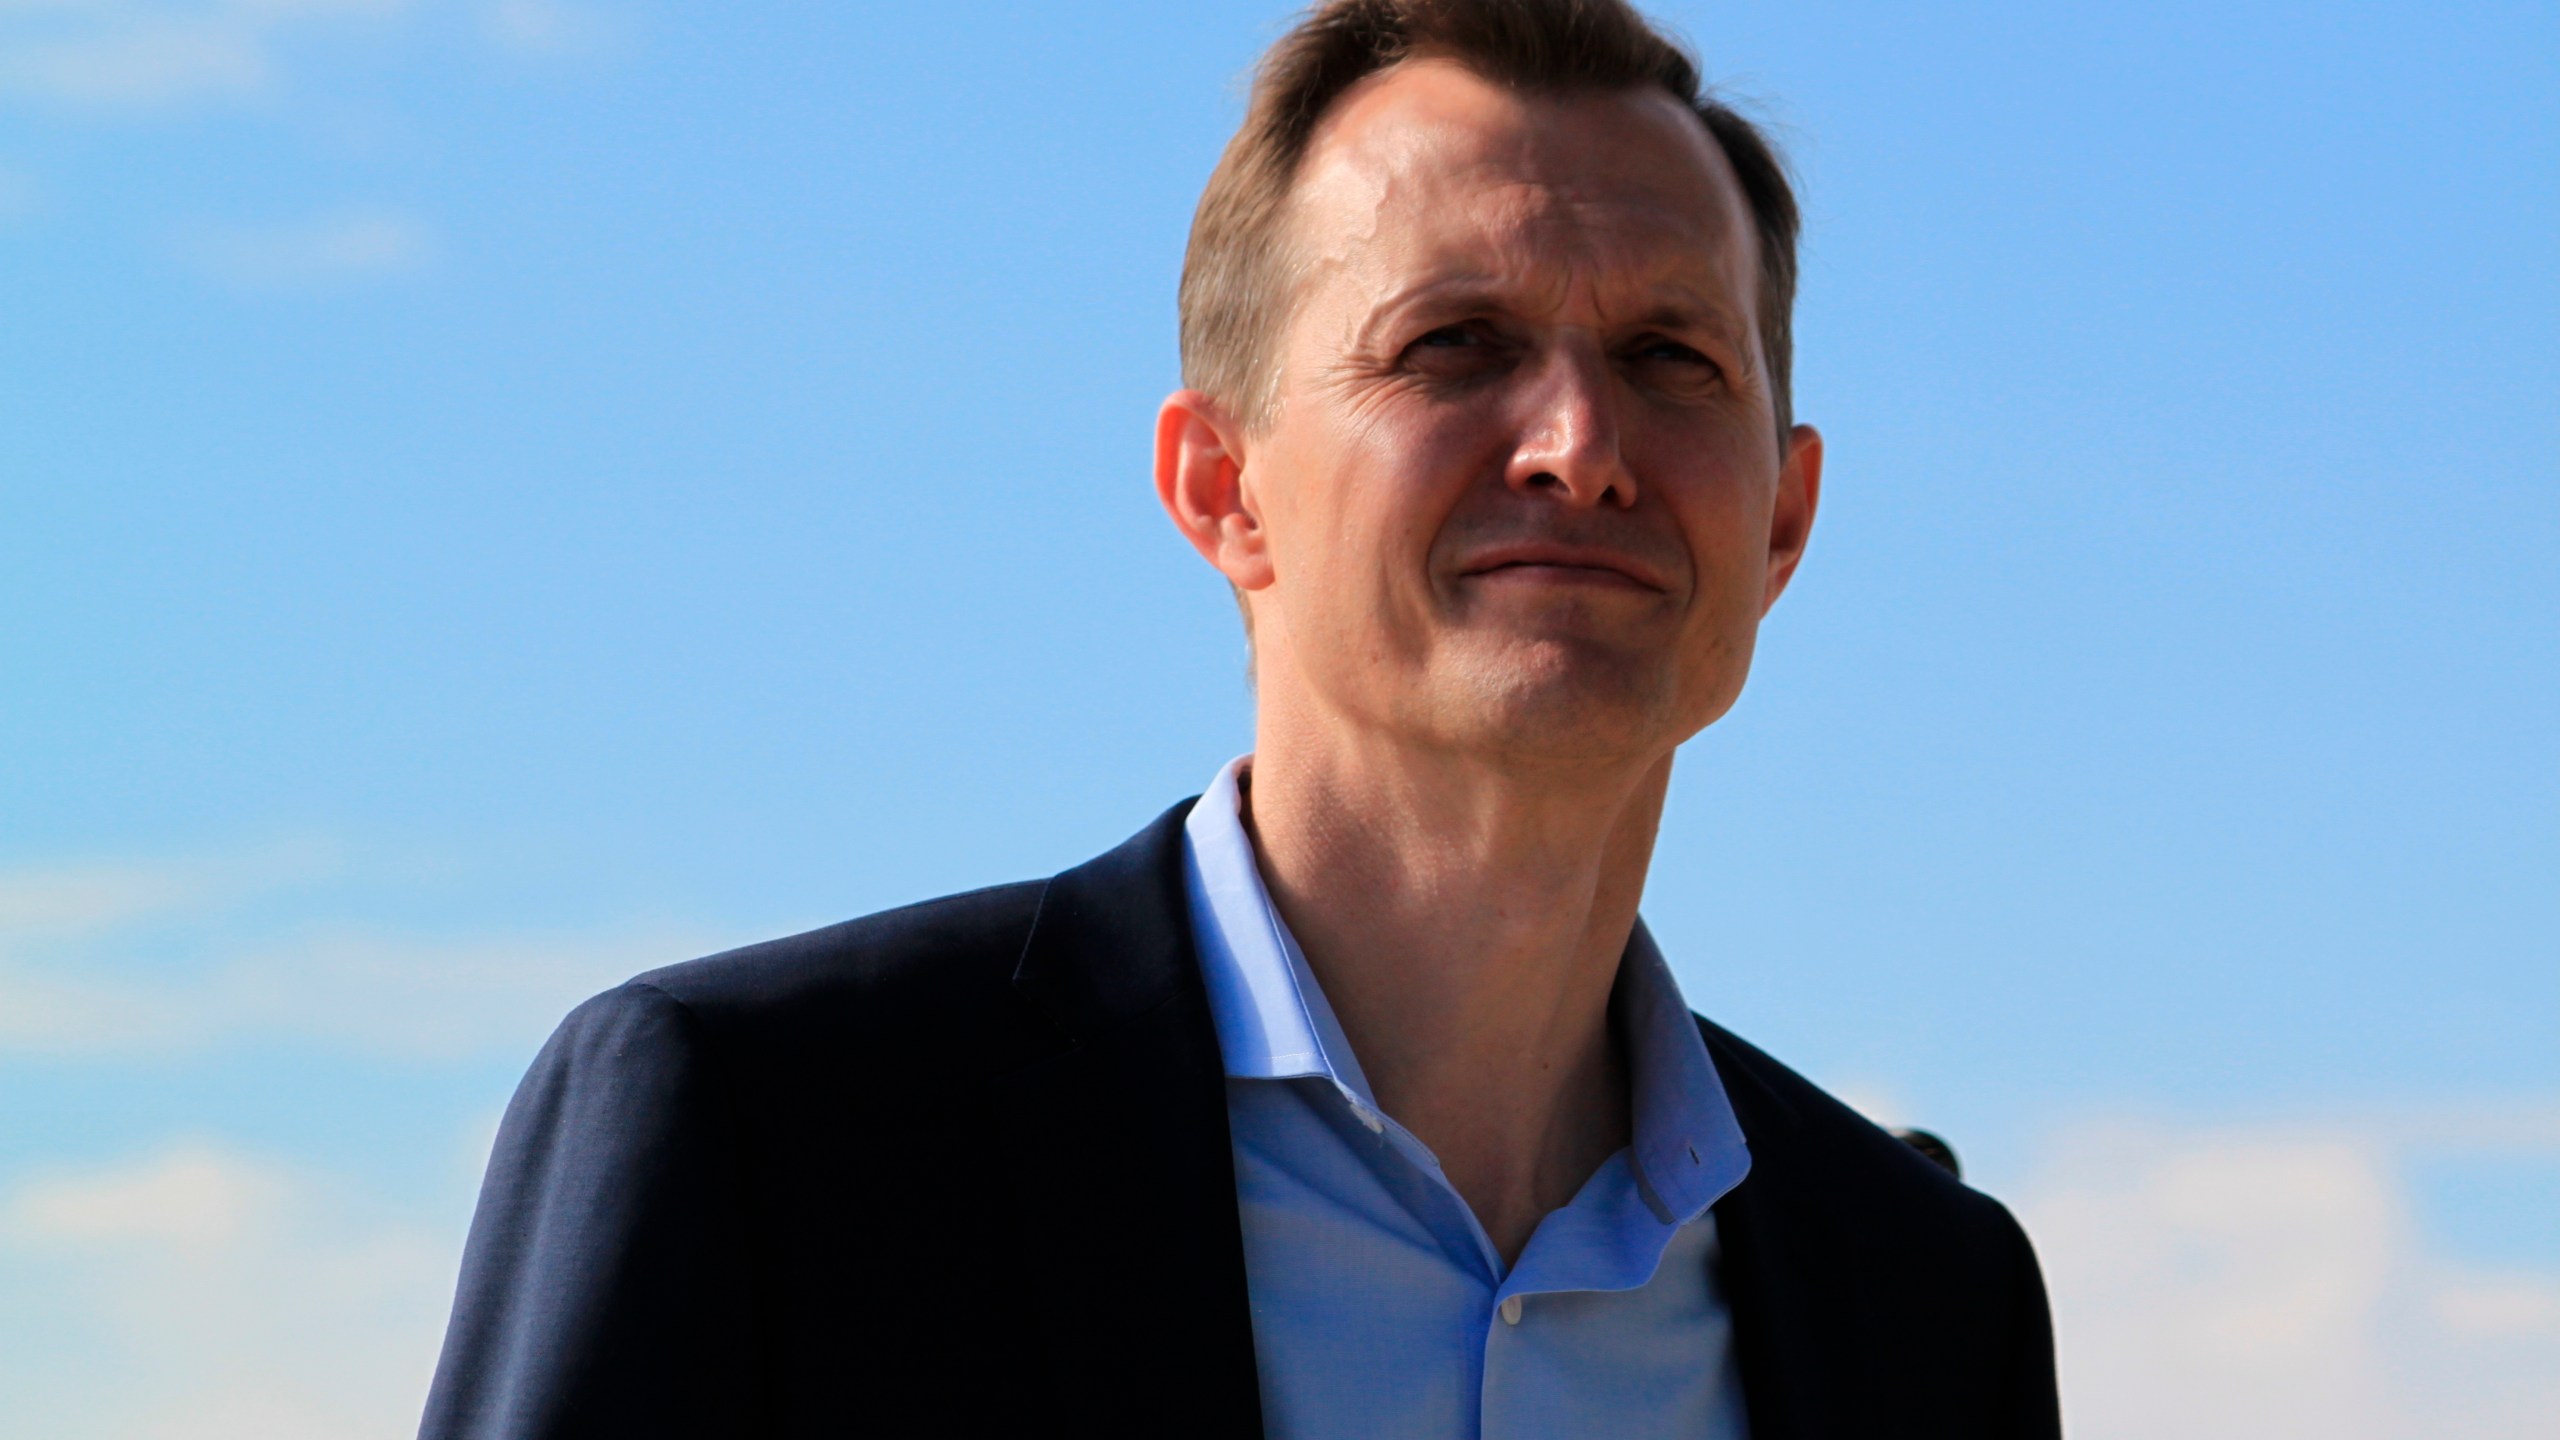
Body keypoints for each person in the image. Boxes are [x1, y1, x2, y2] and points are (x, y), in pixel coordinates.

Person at [418, 1, 2061, 1436]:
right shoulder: (769, 1150)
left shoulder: (1928, 1306)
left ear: (1783, 521)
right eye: (1456, 343)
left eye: (1670, 355)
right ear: (1223, 487)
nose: (1580, 442)